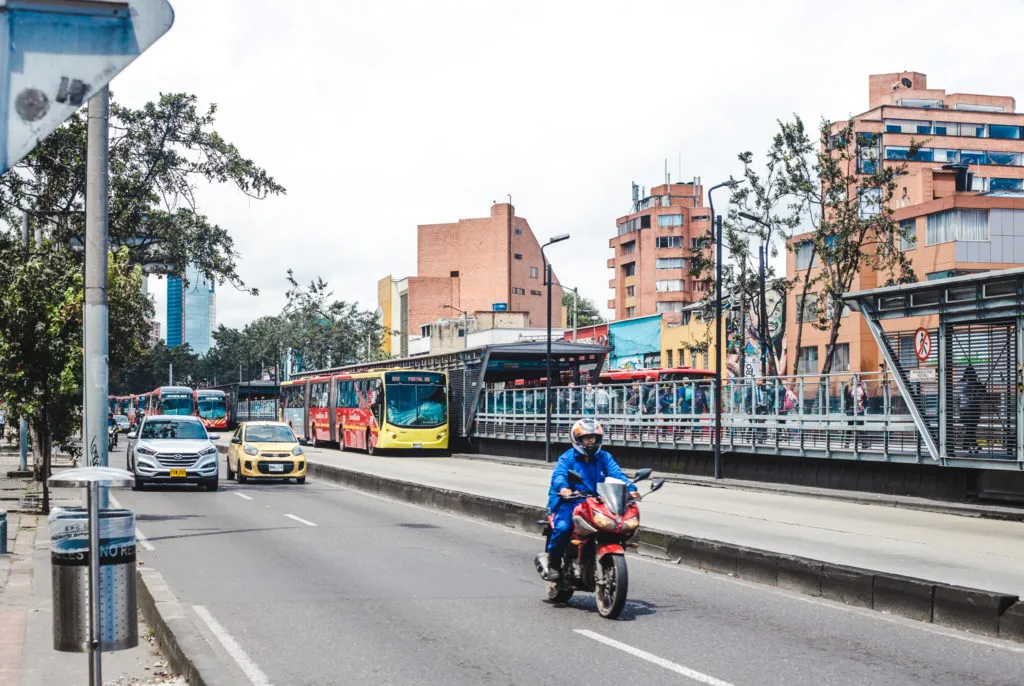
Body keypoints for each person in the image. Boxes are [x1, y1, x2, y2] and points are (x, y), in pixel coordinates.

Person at [535, 418, 638, 581]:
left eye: (594, 437)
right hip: (570, 501)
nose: (590, 441)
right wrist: (563, 488)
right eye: (586, 437)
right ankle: (553, 563)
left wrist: (631, 489)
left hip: (596, 501)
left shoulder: (604, 457)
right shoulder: (567, 457)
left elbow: (617, 475)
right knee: (563, 527)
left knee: (616, 523)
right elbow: (559, 475)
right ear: (578, 439)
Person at [958, 364, 984, 455]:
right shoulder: (970, 384)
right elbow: (981, 394)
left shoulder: (962, 383)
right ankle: (972, 444)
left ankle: (966, 445)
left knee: (970, 428)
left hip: (965, 409)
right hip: (971, 409)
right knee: (971, 428)